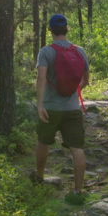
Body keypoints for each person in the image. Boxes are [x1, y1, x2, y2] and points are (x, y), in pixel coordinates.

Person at [34, 13, 89, 202]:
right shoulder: (80, 51)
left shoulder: (46, 52)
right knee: (77, 148)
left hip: (50, 108)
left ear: (50, 30)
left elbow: (41, 78)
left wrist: (40, 104)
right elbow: (85, 80)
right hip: (73, 108)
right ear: (67, 29)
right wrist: (73, 90)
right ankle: (78, 192)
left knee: (43, 142)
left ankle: (39, 179)